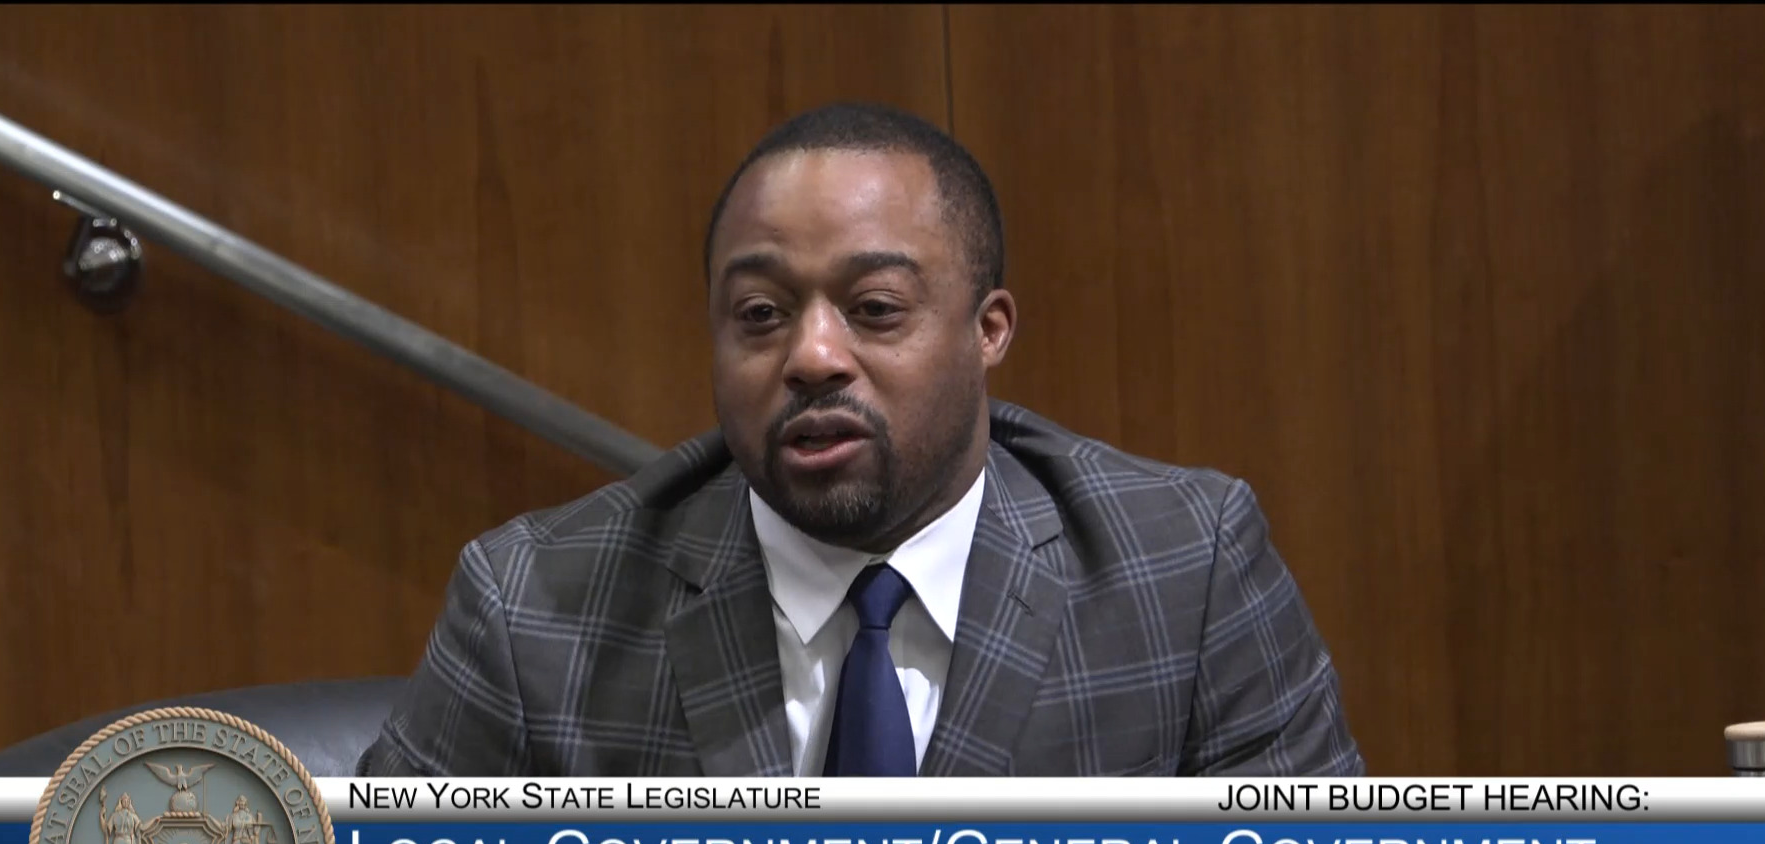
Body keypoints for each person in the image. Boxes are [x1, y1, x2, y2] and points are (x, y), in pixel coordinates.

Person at [357, 102, 1362, 778]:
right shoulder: (536, 607)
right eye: (760, 315)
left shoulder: (1183, 569)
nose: (812, 357)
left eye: (876, 309)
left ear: (988, 331)